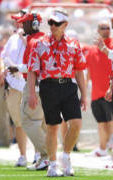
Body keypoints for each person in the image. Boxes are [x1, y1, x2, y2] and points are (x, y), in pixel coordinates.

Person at [27, 8, 86, 177]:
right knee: (52, 127)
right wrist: (32, 93)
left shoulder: (74, 44)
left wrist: (85, 95)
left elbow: (80, 70)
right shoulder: (39, 43)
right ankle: (52, 165)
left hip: (68, 86)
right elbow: (32, 71)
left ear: (65, 25)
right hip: (48, 87)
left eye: (57, 23)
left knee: (76, 123)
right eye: (50, 22)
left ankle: (65, 157)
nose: (52, 26)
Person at [8, 11, 49, 170]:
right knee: (44, 124)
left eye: (24, 22)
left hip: (35, 86)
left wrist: (16, 68)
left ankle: (48, 155)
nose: (21, 25)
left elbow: (33, 68)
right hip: (46, 86)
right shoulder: (42, 38)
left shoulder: (33, 41)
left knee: (27, 122)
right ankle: (46, 158)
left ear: (34, 25)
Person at [0, 9, 27, 167]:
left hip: (31, 86)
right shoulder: (12, 39)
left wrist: (25, 39)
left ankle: (40, 154)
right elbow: (4, 56)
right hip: (14, 85)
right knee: (18, 122)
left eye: (21, 20)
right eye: (17, 20)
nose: (18, 23)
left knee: (36, 123)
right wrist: (4, 68)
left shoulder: (35, 38)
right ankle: (23, 155)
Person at [86, 20, 113, 156]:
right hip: (96, 93)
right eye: (103, 28)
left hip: (110, 92)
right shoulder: (91, 50)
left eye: (108, 28)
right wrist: (84, 94)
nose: (106, 30)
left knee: (111, 123)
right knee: (101, 123)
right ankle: (103, 149)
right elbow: (88, 73)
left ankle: (109, 149)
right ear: (98, 30)